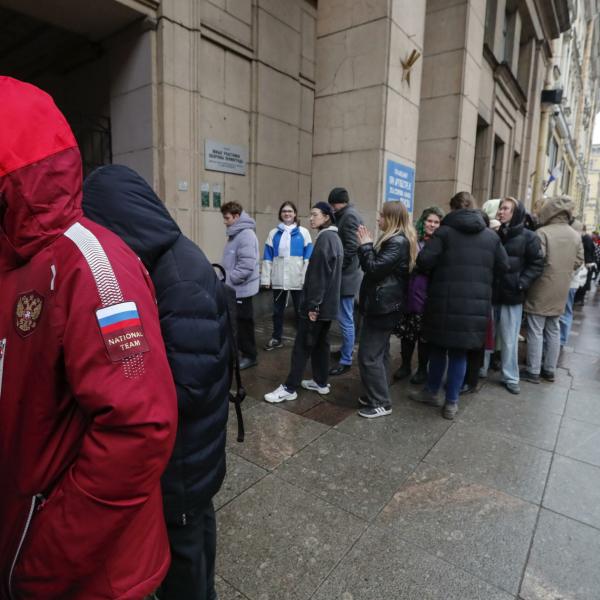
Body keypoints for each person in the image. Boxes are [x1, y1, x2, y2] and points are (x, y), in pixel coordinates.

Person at [0, 77, 177, 599]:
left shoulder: (91, 263)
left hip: (87, 574)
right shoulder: (11, 262)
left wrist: (45, 556)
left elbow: (140, 426)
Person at [83, 165, 230, 600]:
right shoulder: (167, 258)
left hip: (183, 456)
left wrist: (121, 379)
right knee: (197, 531)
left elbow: (187, 386)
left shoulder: (179, 277)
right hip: (192, 453)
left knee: (183, 549)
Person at [409, 191, 509, 419]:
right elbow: (504, 267)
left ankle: (432, 392)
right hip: (474, 307)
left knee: (437, 350)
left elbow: (424, 261)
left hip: (442, 303)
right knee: (459, 354)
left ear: (453, 209)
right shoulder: (490, 237)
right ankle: (452, 403)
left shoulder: (444, 233)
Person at [264, 202, 343, 403]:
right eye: (310, 214)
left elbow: (319, 277)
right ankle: (321, 382)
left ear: (326, 217)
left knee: (302, 345)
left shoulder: (326, 239)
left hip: (317, 306)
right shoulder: (335, 238)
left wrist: (313, 306)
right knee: (321, 345)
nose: (311, 218)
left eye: (315, 214)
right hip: (328, 306)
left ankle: (290, 387)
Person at [355, 201, 417, 418]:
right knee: (378, 354)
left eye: (381, 215)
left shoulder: (397, 242)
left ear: (390, 218)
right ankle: (376, 393)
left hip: (382, 308)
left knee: (368, 356)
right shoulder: (397, 239)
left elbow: (373, 269)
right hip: (383, 306)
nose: (378, 218)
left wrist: (365, 245)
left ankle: (381, 401)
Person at [522, 196, 584, 383]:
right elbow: (578, 261)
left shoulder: (542, 232)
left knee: (535, 329)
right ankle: (549, 369)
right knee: (554, 328)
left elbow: (536, 260)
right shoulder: (575, 235)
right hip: (561, 287)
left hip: (541, 287)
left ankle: (533, 370)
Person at [491, 197, 544, 394]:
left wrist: (521, 283)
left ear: (516, 213)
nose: (501, 212)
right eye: (500, 208)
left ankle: (511, 377)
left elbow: (537, 263)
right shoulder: (494, 233)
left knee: (509, 338)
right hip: (491, 292)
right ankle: (481, 368)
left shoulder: (529, 237)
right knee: (487, 335)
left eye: (506, 209)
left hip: (512, 295)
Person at [393, 206, 444, 384]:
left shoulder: (441, 242)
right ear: (423, 222)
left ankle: (422, 369)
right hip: (409, 293)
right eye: (429, 221)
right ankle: (405, 365)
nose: (432, 225)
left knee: (424, 337)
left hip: (428, 296)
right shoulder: (412, 239)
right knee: (407, 335)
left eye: (436, 222)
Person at [261, 201, 313, 350]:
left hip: (298, 279)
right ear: (280, 214)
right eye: (284, 211)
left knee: (300, 311)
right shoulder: (273, 233)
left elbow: (308, 258)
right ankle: (277, 338)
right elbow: (267, 257)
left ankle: (303, 339)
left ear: (295, 214)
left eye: (290, 211)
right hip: (279, 279)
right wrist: (266, 278)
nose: (287, 213)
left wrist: (304, 278)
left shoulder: (303, 233)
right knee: (277, 312)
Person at [327, 187, 364, 376]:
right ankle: (344, 350)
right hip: (347, 276)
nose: (332, 208)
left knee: (345, 319)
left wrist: (338, 269)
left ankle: (346, 359)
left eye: (333, 204)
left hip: (347, 278)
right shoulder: (347, 214)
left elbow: (351, 248)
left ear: (338, 202)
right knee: (345, 318)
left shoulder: (348, 216)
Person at [221, 201, 260, 370]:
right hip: (235, 289)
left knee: (244, 325)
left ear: (236, 217)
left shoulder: (245, 235)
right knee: (237, 324)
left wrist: (229, 281)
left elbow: (246, 266)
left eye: (227, 217)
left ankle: (250, 356)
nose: (225, 221)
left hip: (241, 290)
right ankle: (240, 353)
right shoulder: (236, 233)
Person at [574, 225, 596, 305]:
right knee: (582, 282)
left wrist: (587, 262)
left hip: (587, 264)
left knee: (582, 282)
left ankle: (579, 300)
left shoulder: (586, 238)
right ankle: (579, 299)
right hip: (586, 263)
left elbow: (588, 252)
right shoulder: (586, 238)